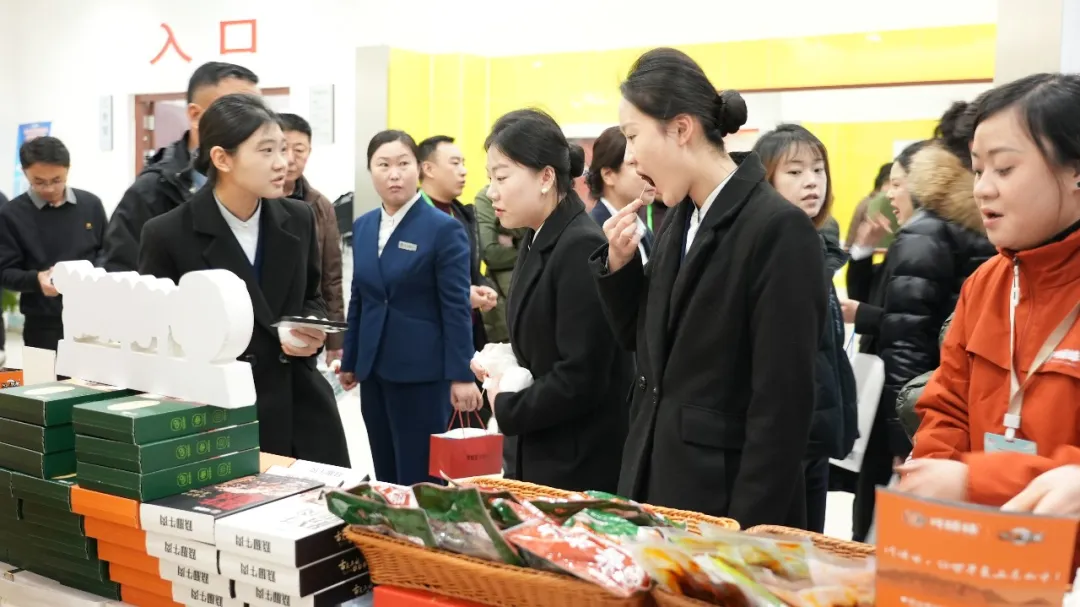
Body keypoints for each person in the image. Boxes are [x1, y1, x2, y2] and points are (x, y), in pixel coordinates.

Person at [590, 48, 826, 528]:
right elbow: (649, 347)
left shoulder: (776, 228)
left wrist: (744, 531)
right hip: (658, 484)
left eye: (633, 137)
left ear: (681, 129)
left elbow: (782, 407)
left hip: (725, 502)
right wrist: (620, 268)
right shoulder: (680, 218)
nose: (630, 159)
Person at [899, 74, 1080, 512]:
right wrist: (933, 482)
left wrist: (976, 480)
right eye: (978, 170)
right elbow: (946, 405)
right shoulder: (987, 283)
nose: (982, 188)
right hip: (982, 550)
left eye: (1005, 168)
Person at [138, 94, 349, 467]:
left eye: (283, 149)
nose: (282, 163)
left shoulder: (298, 217)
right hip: (220, 415)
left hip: (302, 409)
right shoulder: (168, 234)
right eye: (266, 151)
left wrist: (309, 327)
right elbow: (159, 339)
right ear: (222, 158)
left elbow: (311, 297)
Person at [846, 111, 996, 541]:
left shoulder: (928, 232)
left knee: (885, 529)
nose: (890, 194)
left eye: (897, 182)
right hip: (937, 409)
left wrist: (902, 439)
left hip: (917, 406)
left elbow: (909, 334)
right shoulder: (942, 230)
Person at [469, 109, 633, 492]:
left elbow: (582, 375)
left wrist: (506, 404)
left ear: (545, 177)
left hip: (577, 463)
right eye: (490, 178)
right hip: (544, 450)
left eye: (502, 176)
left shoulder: (580, 245)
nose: (492, 191)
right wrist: (506, 360)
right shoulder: (538, 234)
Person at [338, 130, 480, 486]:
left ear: (418, 168)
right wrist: (352, 358)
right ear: (370, 170)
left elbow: (455, 307)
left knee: (421, 474)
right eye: (383, 165)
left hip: (423, 373)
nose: (394, 174)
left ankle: (419, 540)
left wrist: (462, 374)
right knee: (384, 468)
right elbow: (360, 296)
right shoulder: (364, 225)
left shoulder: (442, 229)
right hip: (374, 370)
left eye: (403, 164)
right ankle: (391, 535)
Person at [751, 124, 858, 533]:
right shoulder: (772, 248)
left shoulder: (816, 241)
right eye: (794, 172)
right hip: (788, 438)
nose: (812, 181)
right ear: (766, 180)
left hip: (814, 433)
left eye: (818, 169)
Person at [105, 62, 259, 272]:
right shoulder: (151, 192)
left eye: (259, 111)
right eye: (236, 112)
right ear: (196, 115)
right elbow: (122, 278)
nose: (254, 123)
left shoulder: (267, 183)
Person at [0, 137, 107, 351]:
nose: (49, 188)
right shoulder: (11, 214)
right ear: (25, 173)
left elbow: (108, 252)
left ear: (67, 170)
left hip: (94, 316)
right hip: (43, 323)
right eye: (39, 182)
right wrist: (36, 280)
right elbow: (4, 272)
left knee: (97, 382)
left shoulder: (91, 205)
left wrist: (96, 274)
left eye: (57, 180)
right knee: (46, 382)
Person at [418, 135, 499, 352]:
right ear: (428, 169)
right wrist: (463, 297)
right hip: (429, 337)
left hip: (468, 330)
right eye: (455, 163)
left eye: (463, 163)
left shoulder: (463, 214)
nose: (463, 171)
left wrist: (484, 287)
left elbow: (470, 271)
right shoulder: (411, 218)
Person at [278, 113, 345, 365]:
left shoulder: (319, 205)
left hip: (306, 322)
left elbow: (331, 276)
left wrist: (335, 341)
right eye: (284, 148)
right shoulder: (255, 198)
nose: (291, 159)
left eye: (300, 149)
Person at [586, 126, 655, 263]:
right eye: (633, 164)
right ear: (608, 175)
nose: (648, 173)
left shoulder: (644, 231)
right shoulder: (590, 235)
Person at [473, 185, 524, 344]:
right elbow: (490, 253)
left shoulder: (536, 192)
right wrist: (531, 247)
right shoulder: (487, 197)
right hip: (504, 310)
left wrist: (515, 242)